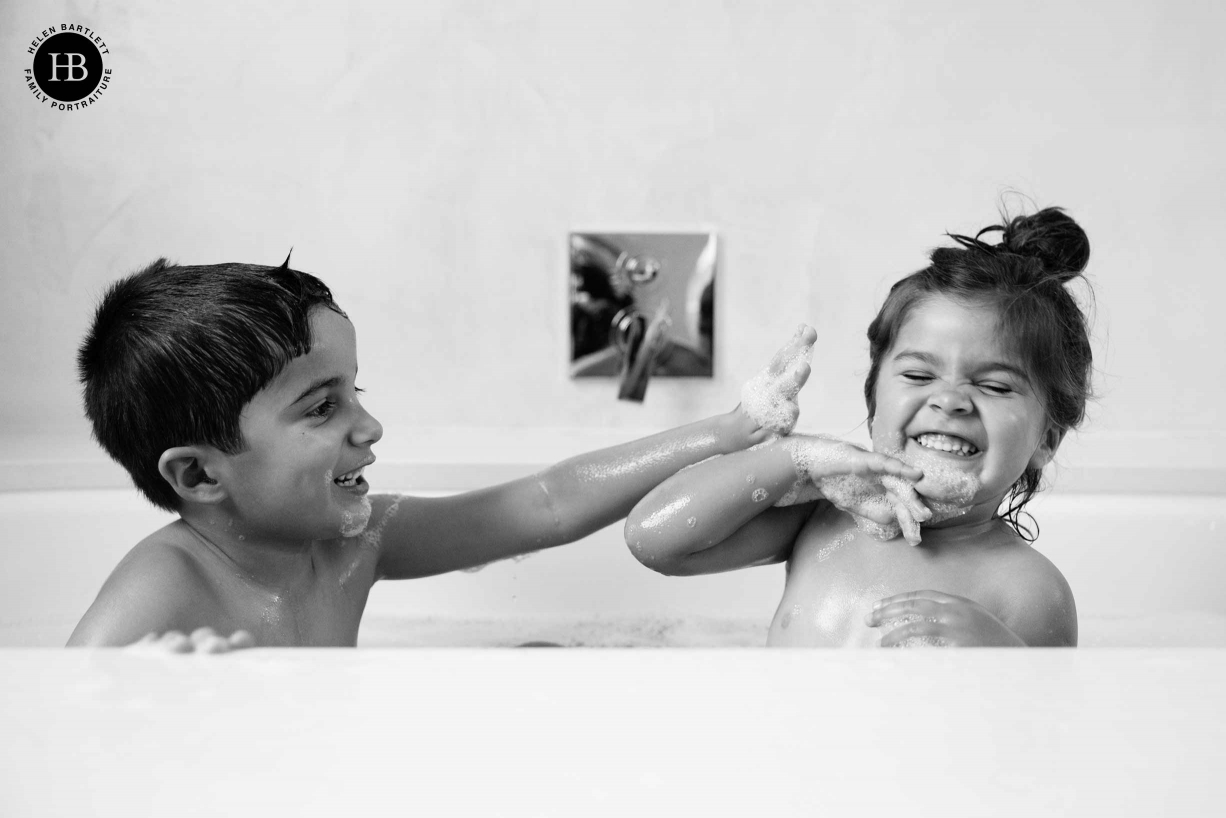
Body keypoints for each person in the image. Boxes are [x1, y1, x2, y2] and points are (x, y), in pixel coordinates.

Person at [67, 256, 821, 651]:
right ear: (200, 474)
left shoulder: (351, 543)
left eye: (356, 391)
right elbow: (56, 738)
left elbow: (547, 504)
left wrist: (729, 430)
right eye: (323, 407)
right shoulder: (161, 593)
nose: (370, 427)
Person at [625, 207, 1092, 647]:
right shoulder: (824, 518)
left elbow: (1043, 722)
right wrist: (793, 459)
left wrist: (1003, 659)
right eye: (918, 375)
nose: (949, 400)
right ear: (873, 404)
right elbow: (653, 540)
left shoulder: (1031, 591)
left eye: (993, 385)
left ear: (1046, 441)